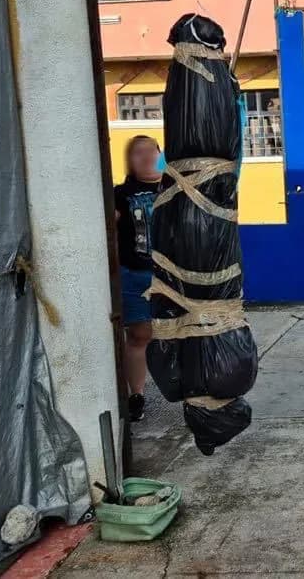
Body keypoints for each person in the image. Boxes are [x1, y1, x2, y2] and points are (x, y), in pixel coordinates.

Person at [114, 136, 168, 422]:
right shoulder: (121, 193)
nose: (146, 156)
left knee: (179, 335)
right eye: (138, 152)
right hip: (135, 275)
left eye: (152, 150)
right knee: (139, 335)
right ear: (129, 160)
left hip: (173, 276)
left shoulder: (177, 188)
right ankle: (136, 395)